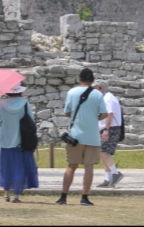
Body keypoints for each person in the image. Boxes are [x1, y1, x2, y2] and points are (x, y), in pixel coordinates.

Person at [57, 67, 107, 206]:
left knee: (71, 165)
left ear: (79, 79)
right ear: (93, 80)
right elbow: (104, 114)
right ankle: (84, 197)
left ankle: (63, 197)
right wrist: (93, 117)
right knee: (89, 166)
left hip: (75, 136)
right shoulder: (97, 94)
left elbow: (67, 112)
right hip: (91, 136)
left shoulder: (72, 92)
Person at [0, 83, 38, 203]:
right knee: (19, 168)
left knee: (7, 168)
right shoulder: (25, 103)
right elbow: (31, 121)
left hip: (5, 141)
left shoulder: (1, 104)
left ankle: (6, 195)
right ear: (20, 91)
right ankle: (16, 196)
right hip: (21, 141)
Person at [95, 80, 124, 188]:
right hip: (107, 129)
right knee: (104, 153)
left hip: (111, 129)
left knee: (103, 152)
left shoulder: (108, 98)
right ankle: (108, 179)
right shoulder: (105, 98)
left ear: (100, 88)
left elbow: (109, 114)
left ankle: (115, 174)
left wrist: (106, 130)